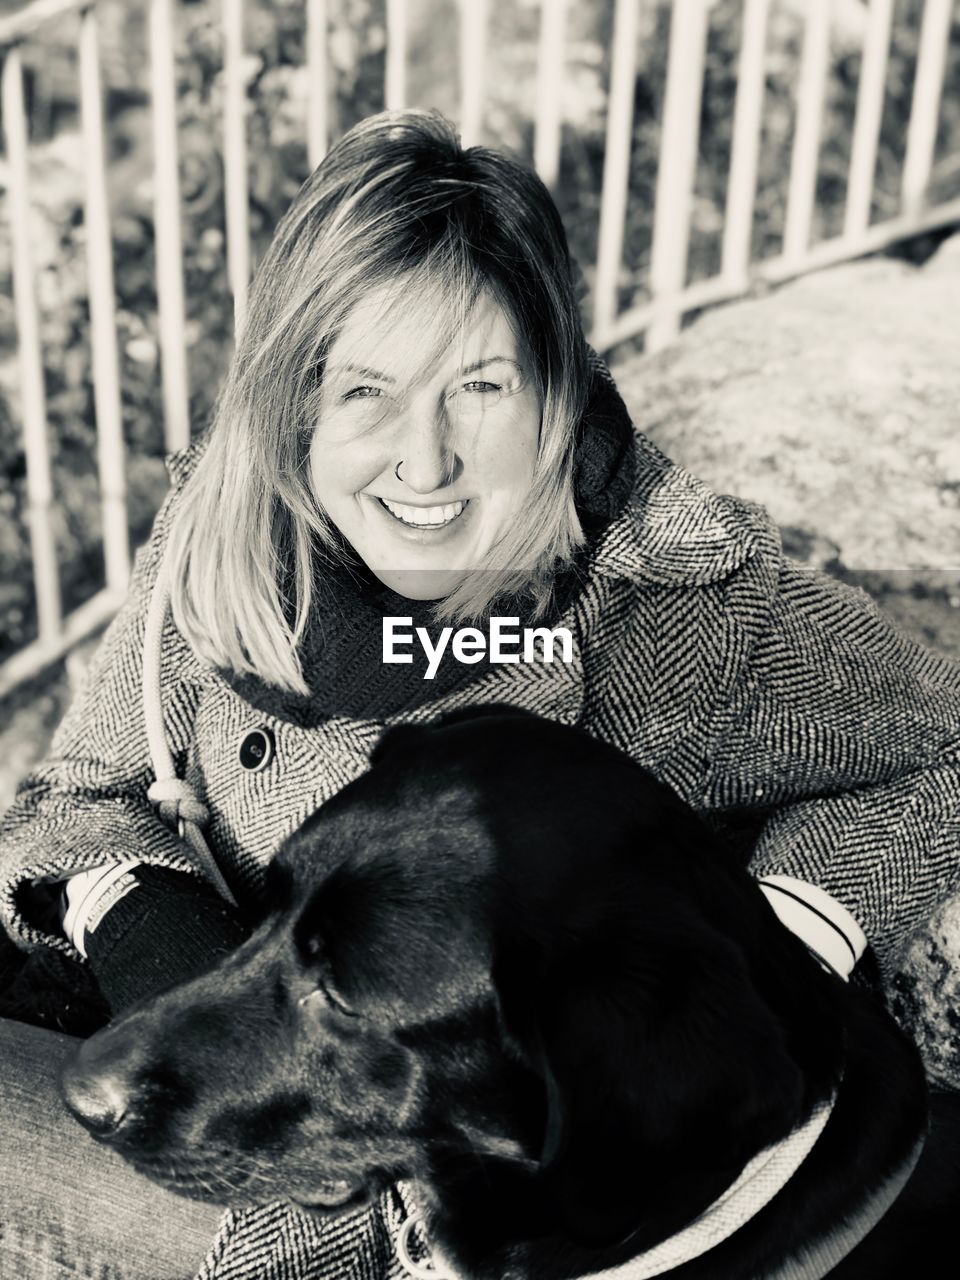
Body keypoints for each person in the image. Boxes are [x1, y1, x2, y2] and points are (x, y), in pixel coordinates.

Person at [1, 108, 959, 1280]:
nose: (424, 462)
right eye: (364, 391)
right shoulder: (225, 534)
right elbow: (84, 797)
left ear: (558, 390)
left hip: (418, 1215)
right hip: (216, 1085)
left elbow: (934, 746)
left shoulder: (676, 604)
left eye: (480, 386)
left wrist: (777, 938)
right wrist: (180, 979)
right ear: (293, 403)